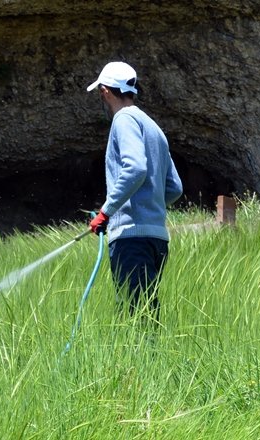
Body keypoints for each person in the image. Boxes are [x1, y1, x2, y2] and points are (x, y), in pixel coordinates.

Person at [86, 61, 183, 322]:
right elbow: (174, 187)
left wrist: (106, 212)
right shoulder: (153, 127)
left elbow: (136, 168)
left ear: (105, 91)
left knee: (135, 320)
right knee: (144, 312)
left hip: (131, 239)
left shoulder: (123, 120)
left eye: (100, 93)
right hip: (157, 239)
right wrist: (150, 206)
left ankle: (144, 363)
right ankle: (149, 363)